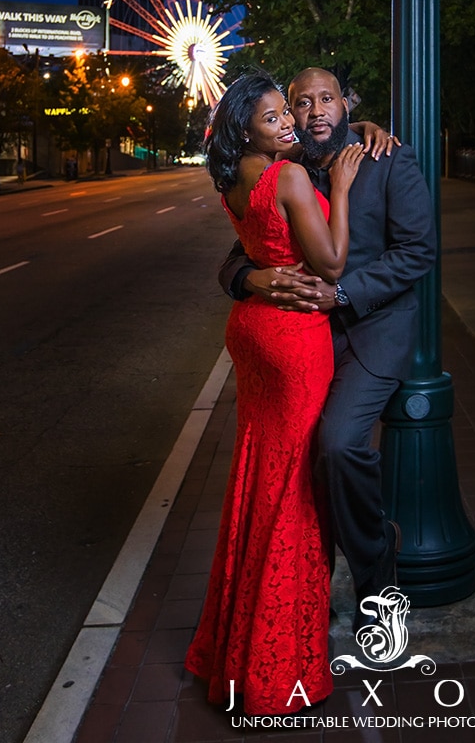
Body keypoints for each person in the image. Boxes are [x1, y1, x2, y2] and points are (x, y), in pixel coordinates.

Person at [219, 67, 437, 635]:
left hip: (370, 333)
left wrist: (341, 292)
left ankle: (376, 585)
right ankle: (306, 595)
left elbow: (418, 251)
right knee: (294, 466)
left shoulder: (386, 158)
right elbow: (241, 252)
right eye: (301, 103)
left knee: (338, 447)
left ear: (346, 104)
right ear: (287, 114)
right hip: (304, 343)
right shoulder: (287, 167)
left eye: (327, 99)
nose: (314, 111)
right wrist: (252, 279)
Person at [184, 71, 367, 715]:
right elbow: (333, 264)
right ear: (247, 127)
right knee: (294, 490)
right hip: (292, 341)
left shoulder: (237, 178)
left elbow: (247, 247)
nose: (290, 122)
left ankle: (231, 649)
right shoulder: (290, 177)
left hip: (251, 337)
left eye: (286, 112)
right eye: (273, 116)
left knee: (257, 480)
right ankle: (274, 667)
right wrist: (338, 189)